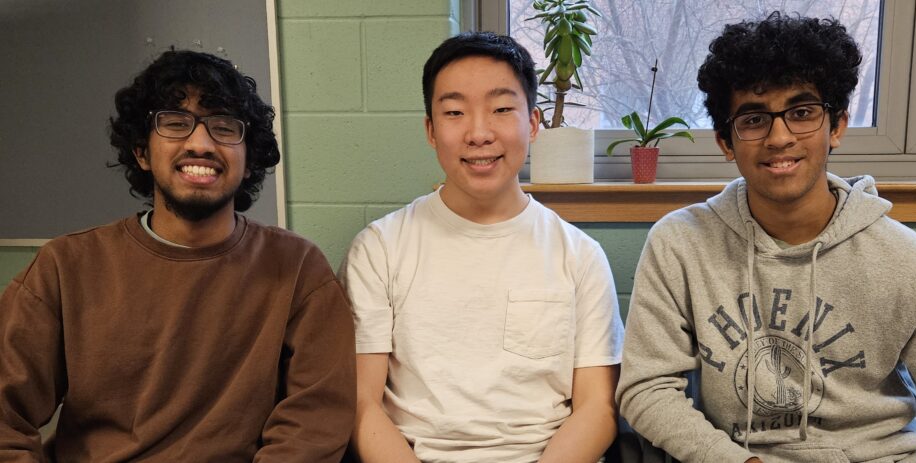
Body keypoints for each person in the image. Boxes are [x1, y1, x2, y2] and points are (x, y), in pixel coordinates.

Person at [616, 12, 916, 463]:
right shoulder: (680, 243)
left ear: (837, 126)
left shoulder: (905, 259)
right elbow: (647, 389)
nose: (779, 137)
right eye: (754, 119)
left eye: (802, 112)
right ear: (725, 141)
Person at [0, 50, 355, 461]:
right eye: (175, 123)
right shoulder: (65, 267)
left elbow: (315, 422)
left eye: (223, 127)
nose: (200, 144)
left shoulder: (297, 269)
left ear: (248, 156)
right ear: (142, 152)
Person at [341, 32, 624, 462]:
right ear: (431, 131)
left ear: (532, 123)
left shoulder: (578, 255)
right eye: (455, 112)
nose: (478, 133)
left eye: (501, 109)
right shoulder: (380, 250)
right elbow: (363, 406)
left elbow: (597, 409)